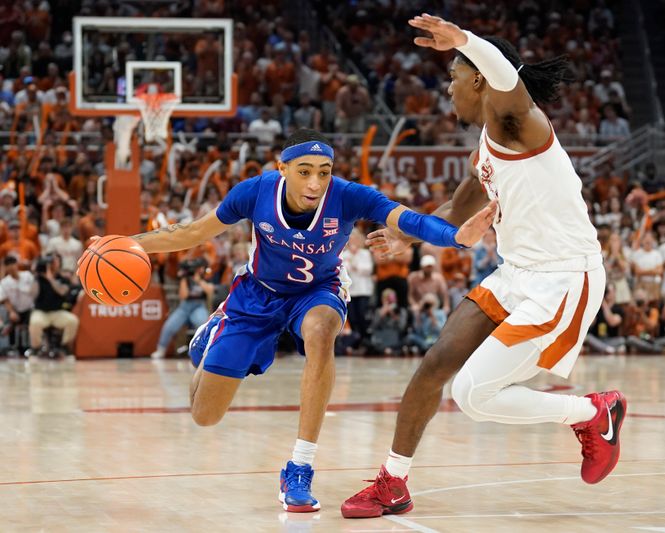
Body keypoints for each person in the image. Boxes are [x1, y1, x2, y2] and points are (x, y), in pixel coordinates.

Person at [116, 129, 495, 514]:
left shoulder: (348, 195)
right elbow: (193, 231)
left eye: (324, 171)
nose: (315, 182)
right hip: (256, 294)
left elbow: (408, 220)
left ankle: (299, 467)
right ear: (282, 168)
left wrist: (455, 236)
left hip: (318, 291)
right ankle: (215, 332)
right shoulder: (255, 191)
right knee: (205, 415)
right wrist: (125, 243)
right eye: (304, 171)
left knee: (322, 330)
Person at [342, 15, 623, 519]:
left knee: (473, 395)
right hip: (515, 275)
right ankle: (393, 483)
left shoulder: (522, 122)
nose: (447, 89)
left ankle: (592, 413)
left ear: (478, 79)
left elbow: (507, 81)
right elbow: (455, 211)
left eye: (452, 76)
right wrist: (407, 236)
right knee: (435, 366)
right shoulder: (488, 148)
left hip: (563, 279)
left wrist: (466, 40)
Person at [150, 259, 215, 359]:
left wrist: (198, 281)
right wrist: (185, 279)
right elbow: (183, 296)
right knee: (169, 325)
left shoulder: (206, 276)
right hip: (185, 307)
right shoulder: (186, 278)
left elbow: (210, 291)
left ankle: (206, 351)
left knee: (204, 325)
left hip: (198, 306)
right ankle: (160, 350)